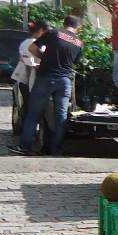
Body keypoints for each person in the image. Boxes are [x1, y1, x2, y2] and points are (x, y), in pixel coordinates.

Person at [12, 14, 84, 156]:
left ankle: (25, 147)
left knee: (33, 113)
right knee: (61, 116)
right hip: (65, 80)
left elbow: (32, 48)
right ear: (78, 28)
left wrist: (45, 59)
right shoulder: (79, 43)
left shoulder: (54, 33)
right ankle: (56, 150)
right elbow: (74, 62)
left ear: (64, 23)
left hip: (46, 77)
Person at [10, 20, 46, 111]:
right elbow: (30, 62)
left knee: (26, 105)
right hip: (28, 77)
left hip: (22, 76)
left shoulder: (26, 42)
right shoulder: (34, 43)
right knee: (29, 106)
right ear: (41, 31)